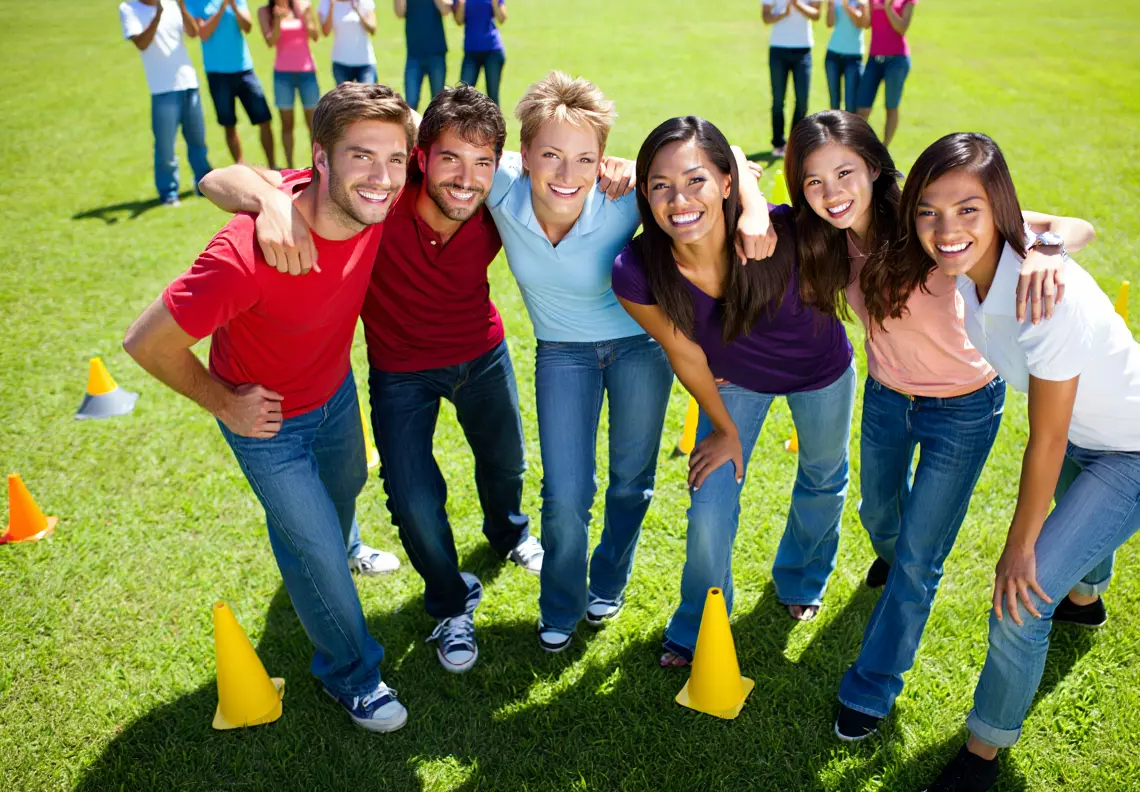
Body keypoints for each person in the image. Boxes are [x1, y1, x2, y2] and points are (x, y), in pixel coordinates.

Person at [198, 85, 544, 676]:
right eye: (449, 160)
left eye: (481, 163)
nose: (465, 178)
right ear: (421, 157)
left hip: (483, 354)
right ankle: (449, 604)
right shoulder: (377, 193)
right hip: (400, 369)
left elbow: (567, 170)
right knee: (411, 498)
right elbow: (215, 180)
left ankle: (509, 532)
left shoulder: (497, 189)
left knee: (506, 464)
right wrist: (270, 200)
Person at [774, 111, 1095, 744]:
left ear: (873, 167)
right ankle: (894, 561)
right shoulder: (824, 239)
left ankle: (872, 685)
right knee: (879, 516)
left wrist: (1045, 252)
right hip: (887, 397)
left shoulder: (932, 223)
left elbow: (1074, 225)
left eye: (844, 172)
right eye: (813, 181)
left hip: (965, 407)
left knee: (918, 560)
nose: (832, 192)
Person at [898, 133, 1140, 791]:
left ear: (999, 209)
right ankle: (1085, 601)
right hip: (1091, 435)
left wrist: (1018, 547)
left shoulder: (1043, 298)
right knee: (1074, 538)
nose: (947, 229)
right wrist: (1050, 243)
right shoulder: (995, 250)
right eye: (929, 212)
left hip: (1137, 448)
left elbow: (1048, 441)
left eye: (967, 210)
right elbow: (1069, 225)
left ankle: (982, 754)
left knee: (1020, 604)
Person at [123, 83, 417, 733]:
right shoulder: (245, 254)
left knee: (346, 491)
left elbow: (221, 176)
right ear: (321, 158)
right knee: (312, 550)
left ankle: (342, 544)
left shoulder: (373, 198)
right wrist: (224, 403)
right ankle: (352, 674)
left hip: (334, 393)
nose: (383, 177)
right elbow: (145, 342)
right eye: (362, 157)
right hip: (267, 423)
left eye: (395, 159)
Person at [613, 116, 856, 667]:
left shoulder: (781, 230)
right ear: (644, 194)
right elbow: (685, 353)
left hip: (820, 370)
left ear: (726, 181)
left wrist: (753, 202)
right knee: (709, 506)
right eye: (660, 186)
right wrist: (723, 429)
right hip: (732, 384)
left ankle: (801, 577)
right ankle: (698, 621)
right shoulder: (636, 270)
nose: (680, 200)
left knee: (822, 475)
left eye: (696, 181)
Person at [482, 72, 670, 653]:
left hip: (641, 346)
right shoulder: (499, 186)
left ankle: (609, 579)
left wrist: (637, 172)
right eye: (552, 156)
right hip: (562, 353)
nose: (568, 176)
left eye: (585, 159)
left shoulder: (624, 197)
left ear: (603, 159)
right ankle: (560, 602)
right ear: (523, 153)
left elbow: (727, 162)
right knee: (565, 492)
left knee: (630, 482)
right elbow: (414, 126)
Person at [120, 0, 211, 206]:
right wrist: (158, 14)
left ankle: (204, 185)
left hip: (188, 83)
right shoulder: (129, 9)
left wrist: (181, 5)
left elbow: (193, 33)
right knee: (165, 147)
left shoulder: (172, 6)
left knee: (198, 142)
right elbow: (141, 43)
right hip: (162, 89)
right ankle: (169, 192)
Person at [184, 0, 277, 168]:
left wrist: (232, 3)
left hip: (244, 69)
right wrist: (222, 8)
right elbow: (203, 33)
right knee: (229, 124)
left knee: (264, 119)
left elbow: (248, 26)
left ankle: (273, 166)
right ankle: (241, 167)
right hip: (217, 73)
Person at [760, 0, 824, 159]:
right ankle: (778, 143)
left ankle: (796, 142)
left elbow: (816, 14)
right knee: (778, 100)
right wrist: (785, 12)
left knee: (802, 100)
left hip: (803, 49)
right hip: (778, 49)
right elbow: (766, 17)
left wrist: (799, 5)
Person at [259, 0, 321, 169]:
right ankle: (290, 167)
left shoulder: (302, 5)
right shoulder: (265, 12)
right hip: (282, 75)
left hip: (307, 72)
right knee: (287, 125)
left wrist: (307, 14)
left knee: (313, 125)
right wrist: (277, 20)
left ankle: (317, 166)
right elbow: (270, 42)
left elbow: (315, 35)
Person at [856, 0, 916, 148]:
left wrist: (889, 7)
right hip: (874, 59)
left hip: (897, 60)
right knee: (862, 108)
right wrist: (861, 6)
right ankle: (863, 147)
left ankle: (884, 149)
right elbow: (866, 24)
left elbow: (901, 28)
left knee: (891, 106)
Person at [395, 0, 453, 110]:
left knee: (439, 104)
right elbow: (400, 12)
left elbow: (446, 8)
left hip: (436, 53)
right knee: (411, 102)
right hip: (414, 55)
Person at [452, 0, 506, 106]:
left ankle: (497, 129)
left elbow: (501, 18)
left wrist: (495, 2)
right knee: (463, 96)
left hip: (492, 49)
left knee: (493, 97)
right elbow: (458, 20)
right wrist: (461, 4)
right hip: (471, 50)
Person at [320, 0, 378, 85]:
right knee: (346, 104)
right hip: (341, 63)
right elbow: (325, 31)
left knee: (367, 102)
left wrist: (357, 9)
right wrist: (332, 5)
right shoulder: (325, 2)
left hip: (365, 62)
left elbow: (373, 29)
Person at [824, 0, 872, 111]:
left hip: (854, 56)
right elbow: (830, 23)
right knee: (834, 106)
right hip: (833, 54)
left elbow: (863, 24)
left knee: (851, 108)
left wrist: (848, 7)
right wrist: (831, 7)